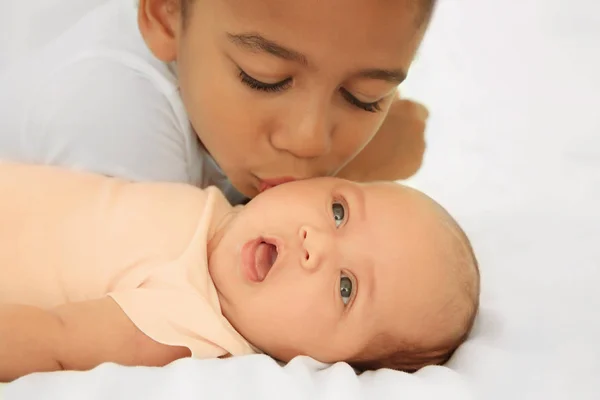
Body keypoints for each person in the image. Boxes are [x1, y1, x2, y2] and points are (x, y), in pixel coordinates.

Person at [0, 162, 480, 382]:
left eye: (346, 287)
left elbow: (54, 341)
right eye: (338, 212)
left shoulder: (186, 323)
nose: (317, 243)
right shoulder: (221, 206)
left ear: (328, 361)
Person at [0, 0, 433, 204]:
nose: (308, 140)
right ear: (164, 15)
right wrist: (367, 165)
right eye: (264, 80)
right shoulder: (109, 112)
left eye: (364, 98)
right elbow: (183, 297)